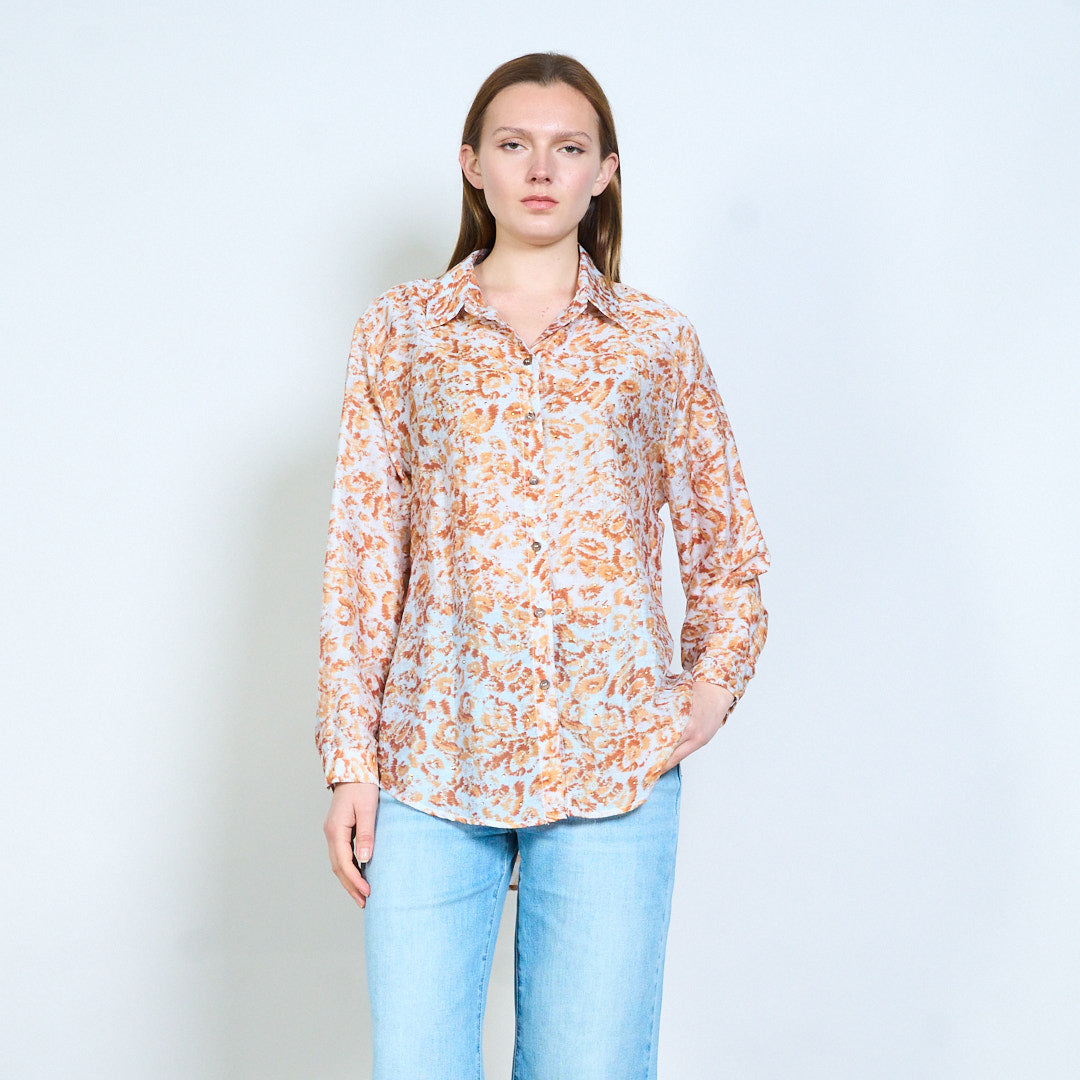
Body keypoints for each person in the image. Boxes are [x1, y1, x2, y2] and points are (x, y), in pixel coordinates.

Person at [317, 51, 770, 1080]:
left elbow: (727, 544)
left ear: (603, 172)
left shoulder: (655, 344)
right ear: (471, 163)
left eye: (569, 149)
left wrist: (706, 690)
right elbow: (362, 557)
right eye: (514, 144)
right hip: (429, 761)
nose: (540, 169)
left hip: (611, 766)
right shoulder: (400, 334)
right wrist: (352, 761)